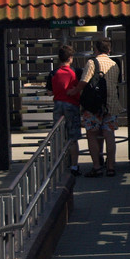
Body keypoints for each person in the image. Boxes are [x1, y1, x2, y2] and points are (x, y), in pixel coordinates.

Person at [70, 39, 119, 177]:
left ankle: (97, 167)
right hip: (111, 104)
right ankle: (111, 167)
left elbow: (84, 82)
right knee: (109, 135)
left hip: (93, 106)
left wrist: (74, 91)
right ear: (108, 50)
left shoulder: (92, 63)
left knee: (91, 134)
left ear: (96, 50)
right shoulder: (115, 64)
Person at [50, 45, 82, 176]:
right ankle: (74, 166)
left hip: (58, 105)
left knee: (58, 137)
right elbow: (81, 85)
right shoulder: (76, 71)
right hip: (72, 105)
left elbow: (49, 91)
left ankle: (59, 166)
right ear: (70, 58)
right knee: (73, 138)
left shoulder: (53, 73)